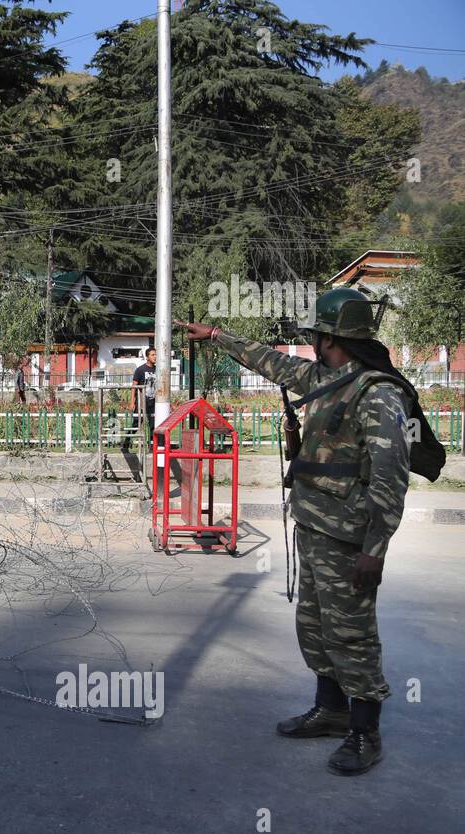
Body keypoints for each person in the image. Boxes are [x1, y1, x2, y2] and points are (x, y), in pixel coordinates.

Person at [178, 287, 420, 776]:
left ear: (333, 337)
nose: (310, 344)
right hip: (312, 527)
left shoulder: (377, 393)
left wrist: (375, 548)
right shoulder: (325, 378)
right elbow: (270, 362)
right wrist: (218, 336)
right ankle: (330, 711)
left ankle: (364, 732)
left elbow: (391, 476)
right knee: (315, 627)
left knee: (352, 635)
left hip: (349, 539)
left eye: (316, 335)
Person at [122, 347, 157, 453]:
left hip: (153, 401)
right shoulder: (140, 370)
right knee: (136, 423)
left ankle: (151, 447)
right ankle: (125, 445)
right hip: (142, 402)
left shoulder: (157, 369)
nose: (155, 357)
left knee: (153, 425)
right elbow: (134, 386)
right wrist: (132, 402)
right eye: (152, 355)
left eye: (156, 355)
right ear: (147, 357)